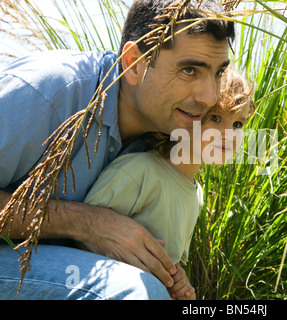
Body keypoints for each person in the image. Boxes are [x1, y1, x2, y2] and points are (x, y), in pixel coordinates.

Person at [0, 0, 234, 299]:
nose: (209, 97)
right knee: (133, 291)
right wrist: (89, 223)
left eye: (217, 74)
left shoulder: (168, 133)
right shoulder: (48, 90)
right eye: (189, 70)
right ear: (134, 63)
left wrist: (167, 274)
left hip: (36, 262)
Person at [83, 67, 256, 300]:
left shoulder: (196, 194)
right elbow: (82, 240)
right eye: (215, 118)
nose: (229, 134)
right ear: (187, 117)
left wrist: (177, 282)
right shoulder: (139, 172)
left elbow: (169, 261)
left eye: (238, 124)